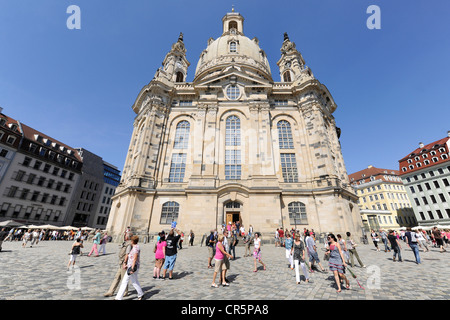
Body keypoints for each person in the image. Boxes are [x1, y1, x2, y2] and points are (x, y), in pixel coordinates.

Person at [104, 232, 133, 297]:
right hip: (121, 263)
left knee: (123, 278)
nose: (124, 236)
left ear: (128, 237)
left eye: (125, 235)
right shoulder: (125, 243)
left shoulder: (129, 244)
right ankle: (111, 291)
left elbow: (127, 254)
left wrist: (125, 263)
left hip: (124, 263)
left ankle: (125, 291)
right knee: (117, 277)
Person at [115, 235, 144, 300]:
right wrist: (126, 264)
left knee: (131, 282)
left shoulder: (136, 248)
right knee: (132, 281)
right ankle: (140, 294)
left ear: (132, 241)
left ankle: (140, 294)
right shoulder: (134, 247)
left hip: (133, 267)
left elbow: (135, 259)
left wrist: (132, 268)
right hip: (130, 266)